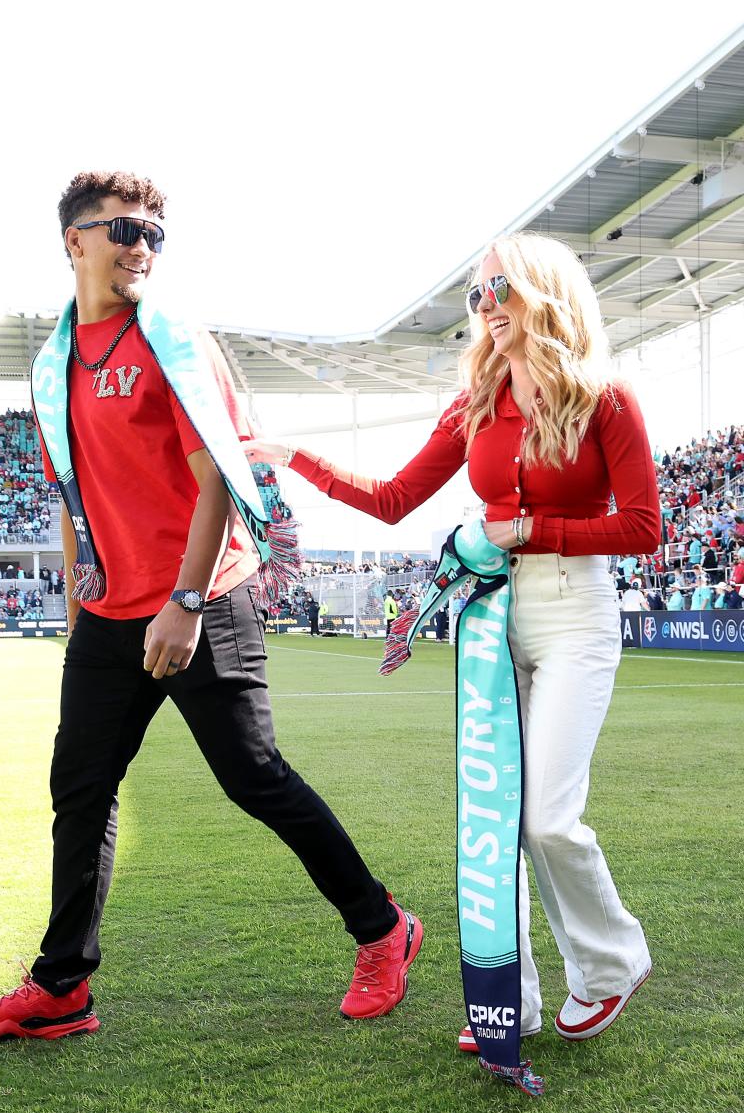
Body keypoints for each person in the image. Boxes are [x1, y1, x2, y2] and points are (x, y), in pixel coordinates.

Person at [0, 169, 421, 1042]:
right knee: (80, 790)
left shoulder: (175, 342)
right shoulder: (55, 361)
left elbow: (218, 481)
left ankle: (384, 928)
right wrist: (74, 599)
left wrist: (187, 602)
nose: (142, 247)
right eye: (123, 229)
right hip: (109, 612)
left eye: (156, 234)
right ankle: (61, 988)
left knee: (254, 779)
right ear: (74, 241)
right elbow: (70, 488)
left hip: (205, 598)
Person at [245, 231, 658, 1055]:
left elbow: (644, 526)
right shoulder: (476, 403)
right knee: (497, 819)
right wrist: (296, 456)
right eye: (475, 296)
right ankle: (510, 1002)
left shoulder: (606, 396)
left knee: (546, 819)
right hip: (493, 620)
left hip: (576, 614)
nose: (484, 308)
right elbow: (396, 498)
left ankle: (611, 965)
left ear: (541, 292)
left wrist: (535, 528)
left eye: (496, 289)